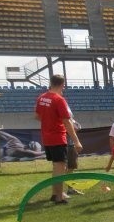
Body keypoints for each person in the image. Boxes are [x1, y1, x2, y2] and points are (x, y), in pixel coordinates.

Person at [35, 74, 82, 203]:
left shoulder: (41, 98)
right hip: (57, 137)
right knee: (60, 168)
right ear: (63, 84)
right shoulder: (59, 99)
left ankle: (55, 193)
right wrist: (77, 141)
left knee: (56, 166)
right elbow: (67, 122)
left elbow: (37, 116)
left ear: (51, 82)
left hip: (47, 137)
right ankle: (59, 197)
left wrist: (49, 120)